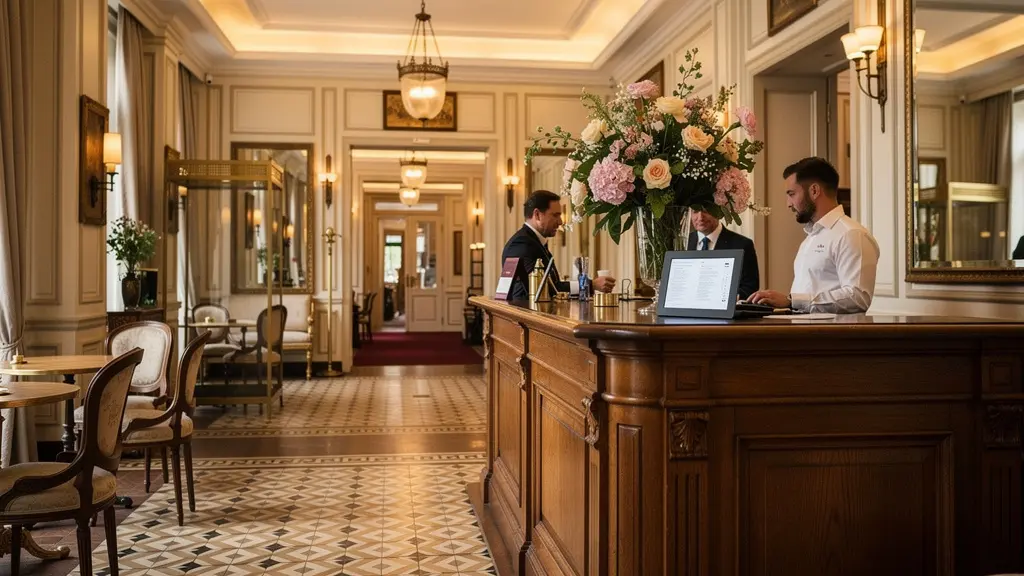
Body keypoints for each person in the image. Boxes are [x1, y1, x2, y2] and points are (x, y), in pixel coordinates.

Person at [748, 157, 879, 314]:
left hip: (832, 337)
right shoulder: (810, 238)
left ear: (814, 191)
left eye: (791, 194)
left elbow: (857, 298)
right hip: (803, 333)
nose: (788, 204)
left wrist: (792, 301)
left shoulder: (852, 235)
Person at [501, 190, 616, 301]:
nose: (560, 221)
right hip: (526, 318)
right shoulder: (521, 244)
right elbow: (544, 288)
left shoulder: (533, 241)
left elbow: (553, 284)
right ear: (537, 215)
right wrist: (590, 284)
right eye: (555, 215)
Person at [687, 210, 759, 300]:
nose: (700, 217)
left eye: (706, 211)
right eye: (695, 211)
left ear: (720, 211)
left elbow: (750, 287)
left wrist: (727, 299)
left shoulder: (742, 244)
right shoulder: (681, 243)